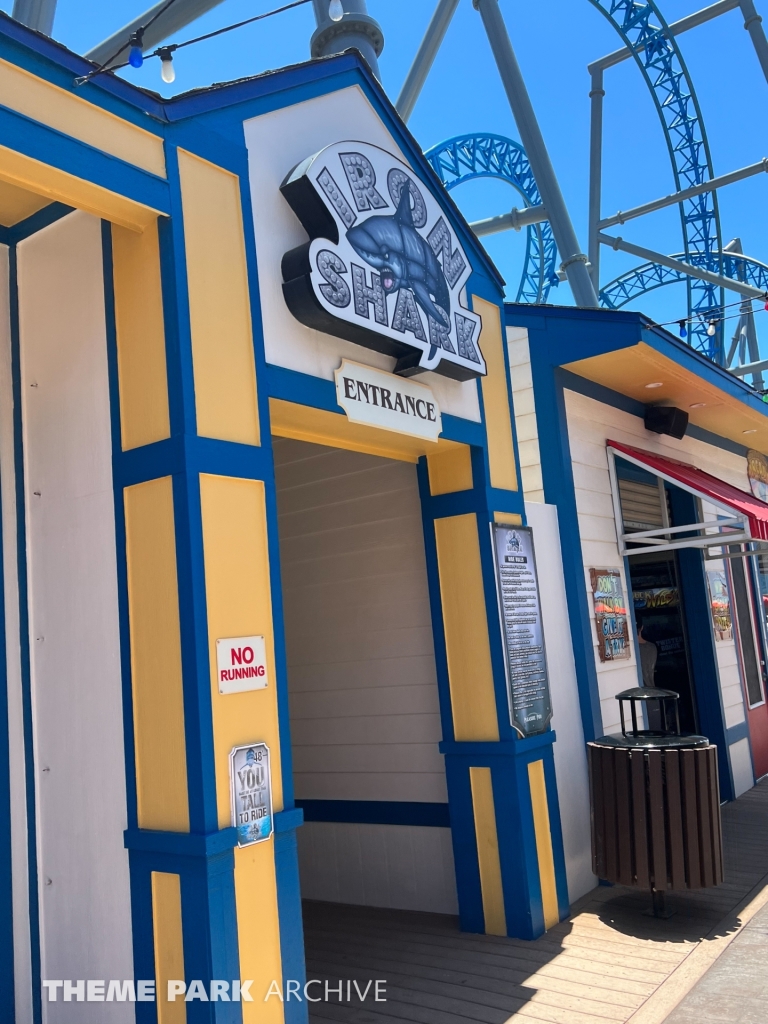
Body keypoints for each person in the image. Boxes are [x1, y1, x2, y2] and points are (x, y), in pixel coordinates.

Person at [636, 617, 658, 688]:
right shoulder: (652, 647)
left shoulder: (632, 650)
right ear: (642, 627)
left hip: (640, 695)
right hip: (652, 692)